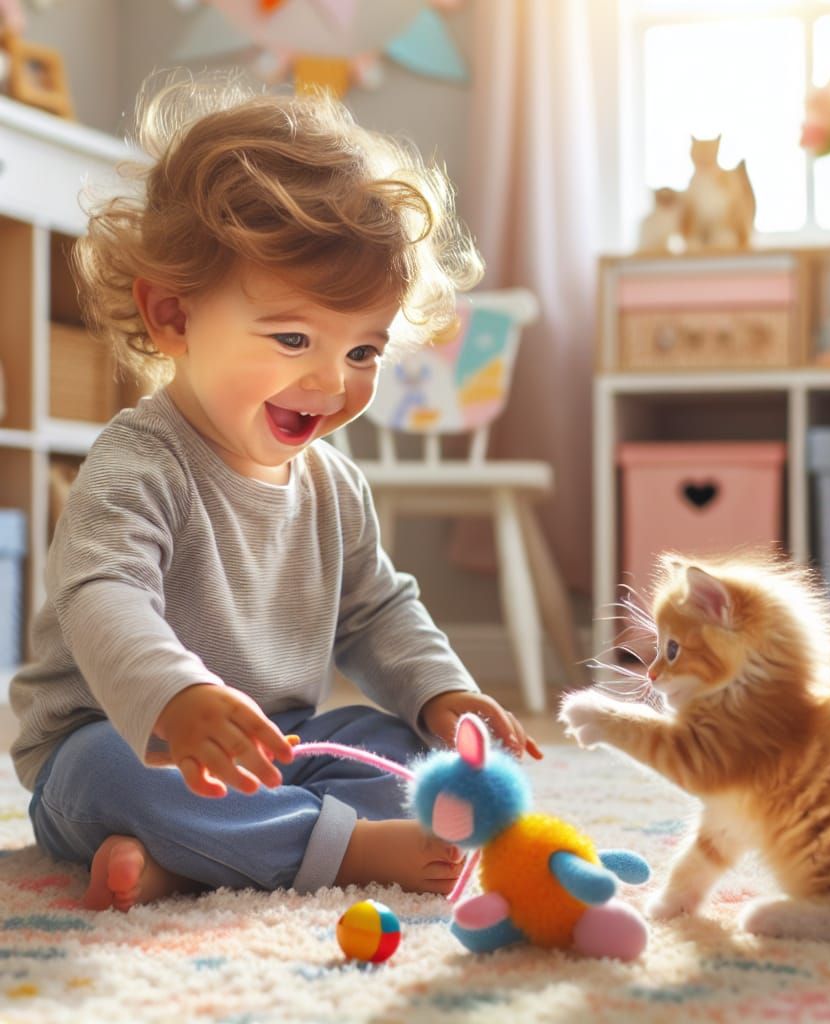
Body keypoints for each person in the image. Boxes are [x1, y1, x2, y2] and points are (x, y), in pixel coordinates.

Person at [9, 72, 541, 913]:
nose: (332, 380)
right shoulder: (138, 460)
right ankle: (334, 850)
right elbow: (102, 595)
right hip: (121, 741)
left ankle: (187, 863)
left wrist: (442, 694)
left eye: (364, 350)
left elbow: (378, 611)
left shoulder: (333, 484)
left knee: (407, 757)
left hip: (280, 748)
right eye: (294, 337)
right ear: (173, 318)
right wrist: (177, 700)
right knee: (110, 771)